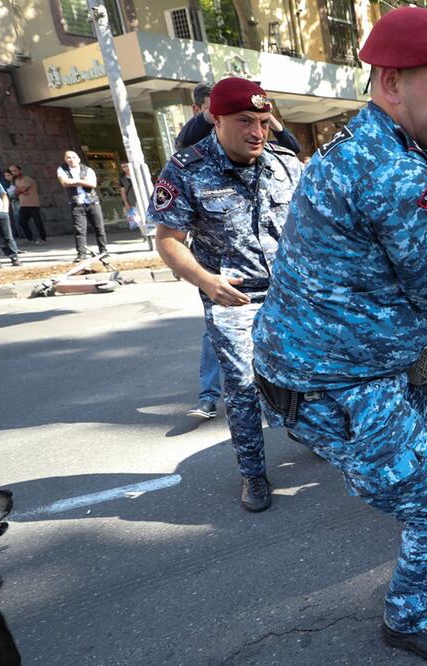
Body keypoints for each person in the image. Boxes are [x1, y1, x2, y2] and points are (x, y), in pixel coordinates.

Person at [250, 8, 427, 661]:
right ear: (392, 83)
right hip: (336, 381)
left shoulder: (369, 146)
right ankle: (410, 616)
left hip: (357, 362)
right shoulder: (393, 172)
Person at [149, 77, 303, 511]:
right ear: (215, 120)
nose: (257, 132)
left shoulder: (287, 163)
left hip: (292, 296)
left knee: (309, 373)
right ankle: (253, 474)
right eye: (244, 122)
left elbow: (312, 228)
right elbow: (168, 240)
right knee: (242, 385)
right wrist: (206, 281)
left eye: (263, 121)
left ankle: (307, 432)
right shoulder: (185, 169)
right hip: (233, 297)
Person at [175, 81, 302, 154]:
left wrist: (264, 112)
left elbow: (292, 148)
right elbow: (182, 143)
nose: (257, 133)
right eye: (213, 110)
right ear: (197, 109)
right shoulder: (195, 140)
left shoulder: (251, 139)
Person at [58, 151, 108, 262]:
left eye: (73, 157)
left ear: (78, 158)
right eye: (68, 157)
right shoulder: (62, 169)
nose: (71, 159)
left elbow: (92, 184)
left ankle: (103, 250)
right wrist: (83, 181)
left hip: (92, 201)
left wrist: (74, 181)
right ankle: (81, 254)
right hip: (76, 203)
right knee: (79, 230)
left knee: (99, 227)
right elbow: (64, 183)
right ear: (65, 159)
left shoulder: (88, 169)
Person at [8, 165, 47, 244]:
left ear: (20, 170)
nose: (14, 173)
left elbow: (20, 190)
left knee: (37, 222)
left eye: (15, 170)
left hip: (33, 204)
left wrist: (18, 191)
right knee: (21, 221)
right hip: (23, 205)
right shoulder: (16, 181)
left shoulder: (27, 179)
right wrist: (19, 191)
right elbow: (15, 192)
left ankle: (43, 238)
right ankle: (30, 238)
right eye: (12, 171)